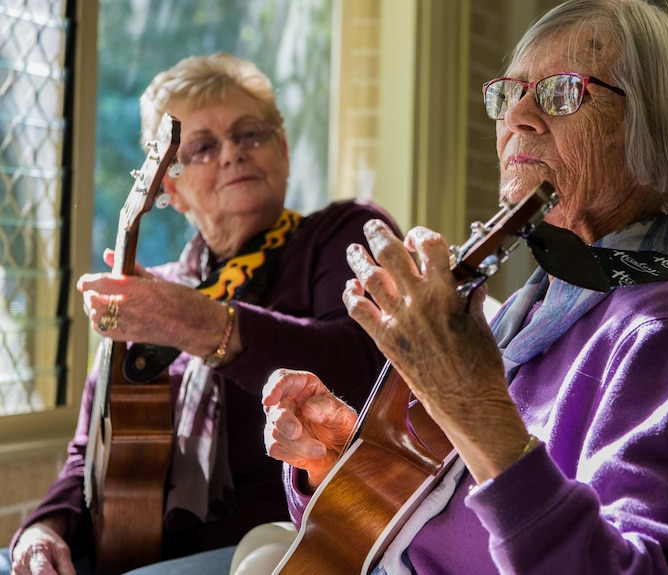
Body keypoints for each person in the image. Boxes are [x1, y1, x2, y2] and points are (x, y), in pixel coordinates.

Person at [261, 0, 668, 573]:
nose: (518, 116)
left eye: (562, 92)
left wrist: (473, 407)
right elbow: (461, 513)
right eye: (509, 93)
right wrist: (352, 461)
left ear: (654, 136)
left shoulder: (667, 331)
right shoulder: (533, 306)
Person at [1, 53, 396, 575]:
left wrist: (204, 323)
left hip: (274, 541)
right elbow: (88, 453)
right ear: (170, 188)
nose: (232, 154)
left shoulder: (339, 235)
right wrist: (43, 527)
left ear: (281, 149)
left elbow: (367, 375)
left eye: (250, 134)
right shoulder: (156, 294)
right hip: (135, 546)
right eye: (204, 148)